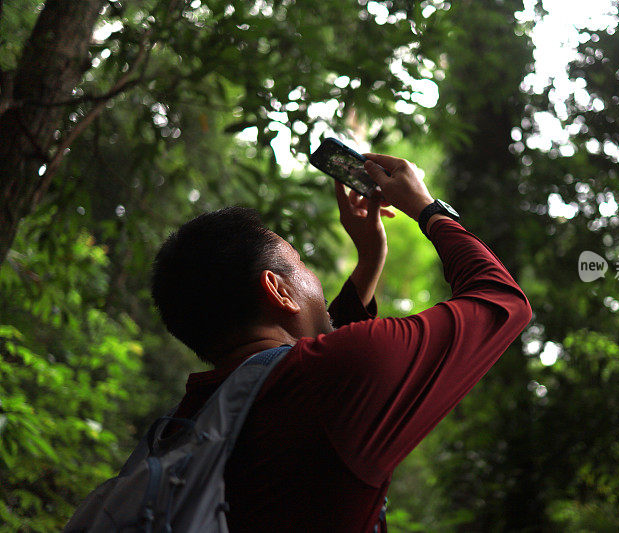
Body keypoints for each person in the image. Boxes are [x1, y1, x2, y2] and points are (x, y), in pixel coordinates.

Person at [150, 152, 533, 532]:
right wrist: (428, 209)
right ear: (278, 289)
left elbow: (303, 378)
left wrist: (369, 260)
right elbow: (502, 302)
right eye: (300, 263)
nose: (312, 277)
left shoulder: (189, 419)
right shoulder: (331, 378)